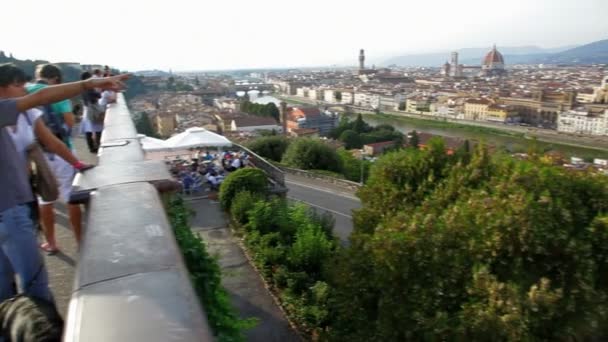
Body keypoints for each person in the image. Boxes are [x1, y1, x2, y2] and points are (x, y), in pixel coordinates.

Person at [0, 65, 128, 302]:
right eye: (18, 85)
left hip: (21, 200)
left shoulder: (26, 114)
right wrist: (90, 84)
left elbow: (52, 141)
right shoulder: (8, 110)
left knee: (6, 286)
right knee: (33, 283)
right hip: (9, 208)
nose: (24, 90)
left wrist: (78, 165)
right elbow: (40, 96)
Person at [26, 65, 82, 253]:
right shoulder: (58, 94)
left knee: (45, 199)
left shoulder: (25, 93)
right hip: (62, 150)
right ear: (56, 79)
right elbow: (70, 122)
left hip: (38, 154)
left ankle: (51, 242)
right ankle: (81, 242)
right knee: (70, 197)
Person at [80, 71, 103, 153]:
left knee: (88, 130)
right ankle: (97, 146)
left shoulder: (81, 88)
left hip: (87, 109)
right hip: (93, 110)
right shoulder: (89, 88)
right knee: (97, 129)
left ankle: (91, 147)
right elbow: (98, 95)